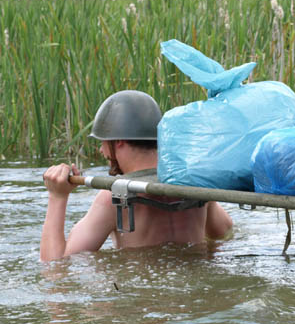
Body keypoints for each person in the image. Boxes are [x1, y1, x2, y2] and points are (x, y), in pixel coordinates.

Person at [40, 90, 233, 262]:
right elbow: (223, 232)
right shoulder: (193, 183)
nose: (101, 150)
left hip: (145, 288)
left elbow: (56, 265)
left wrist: (57, 197)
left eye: (103, 142)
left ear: (119, 142)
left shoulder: (113, 198)